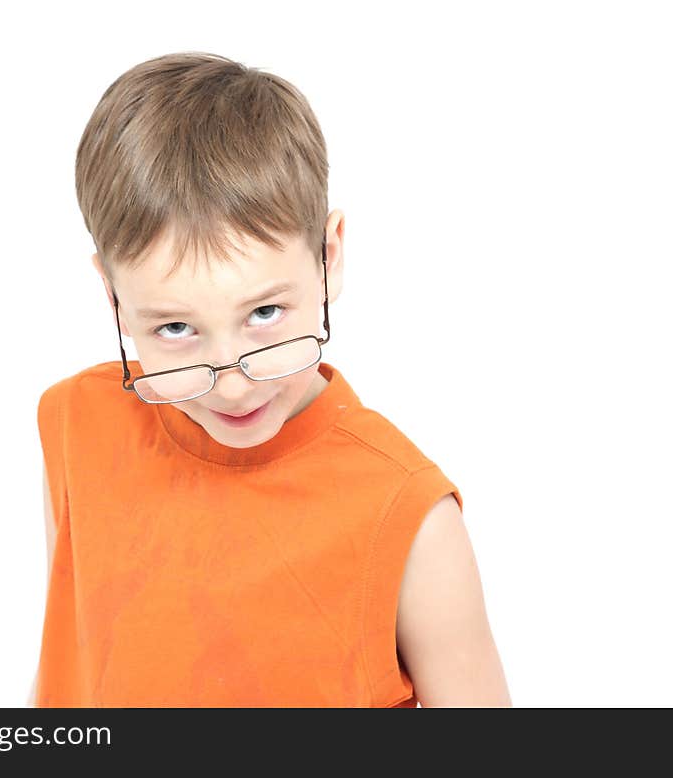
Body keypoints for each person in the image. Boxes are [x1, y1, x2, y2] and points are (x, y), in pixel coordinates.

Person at [28, 52, 511, 708]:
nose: (232, 384)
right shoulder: (74, 423)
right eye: (176, 329)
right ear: (113, 298)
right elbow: (73, 671)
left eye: (263, 314)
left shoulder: (410, 516)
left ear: (328, 256)